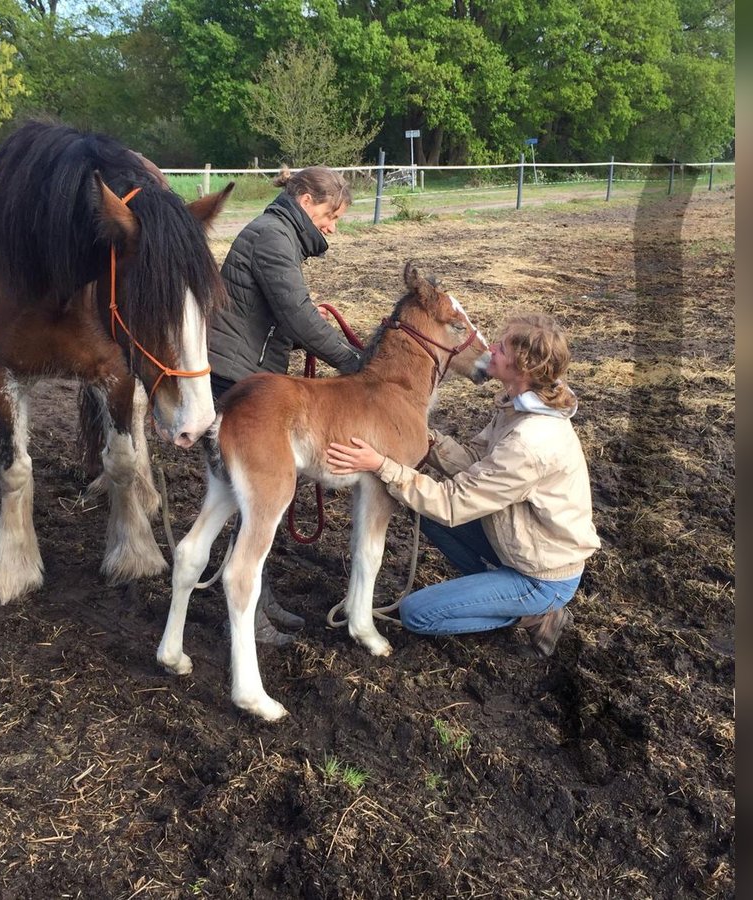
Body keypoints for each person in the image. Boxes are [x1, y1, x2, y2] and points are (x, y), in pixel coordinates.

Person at [325, 313, 600, 656]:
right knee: (418, 508)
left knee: (418, 615)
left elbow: (453, 504)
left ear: (524, 369)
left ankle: (531, 615)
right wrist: (415, 435)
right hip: (516, 543)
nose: (492, 348)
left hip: (541, 575)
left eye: (502, 347)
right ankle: (491, 588)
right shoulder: (519, 407)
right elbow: (474, 461)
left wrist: (384, 465)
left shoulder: (530, 442)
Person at [208, 165, 366, 645]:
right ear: (305, 202)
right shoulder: (273, 238)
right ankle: (246, 610)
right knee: (253, 500)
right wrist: (353, 360)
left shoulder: (275, 234)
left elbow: (279, 314)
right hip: (235, 380)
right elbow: (297, 318)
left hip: (245, 371)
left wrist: (298, 328)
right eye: (331, 215)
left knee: (257, 500)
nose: (333, 227)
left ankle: (261, 598)